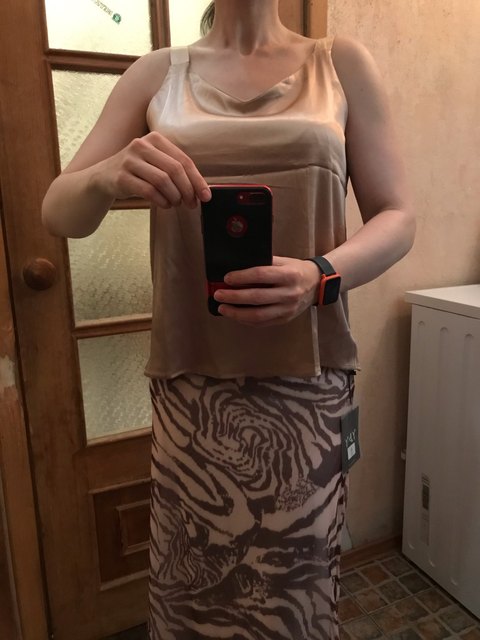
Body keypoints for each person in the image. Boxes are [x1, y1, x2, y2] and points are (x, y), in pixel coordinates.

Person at [42, 1, 415, 638]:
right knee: (195, 586)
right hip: (194, 387)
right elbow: (58, 211)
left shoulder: (340, 64)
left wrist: (320, 275)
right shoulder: (157, 73)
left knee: (295, 592)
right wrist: (107, 175)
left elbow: (398, 216)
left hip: (307, 384)